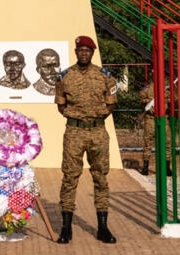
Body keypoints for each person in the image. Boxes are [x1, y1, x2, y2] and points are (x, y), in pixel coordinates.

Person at [54, 35, 117, 244]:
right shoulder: (64, 77)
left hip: (98, 132)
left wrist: (95, 118)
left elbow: (111, 104)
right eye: (80, 50)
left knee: (100, 177)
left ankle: (103, 227)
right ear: (75, 52)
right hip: (74, 132)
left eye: (87, 50)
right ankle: (66, 228)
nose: (83, 53)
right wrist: (77, 118)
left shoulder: (105, 77)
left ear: (92, 52)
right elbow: (61, 105)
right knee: (70, 177)